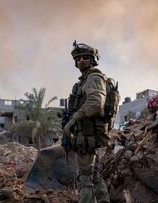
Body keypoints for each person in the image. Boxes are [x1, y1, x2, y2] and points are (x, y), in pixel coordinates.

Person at [64, 41, 110, 203]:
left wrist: (74, 119)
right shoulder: (82, 82)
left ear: (93, 60)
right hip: (86, 137)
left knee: (85, 179)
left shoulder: (94, 77)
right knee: (95, 177)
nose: (80, 61)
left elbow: (96, 103)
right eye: (78, 59)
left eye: (85, 58)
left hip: (88, 137)